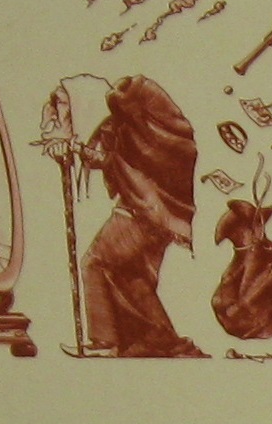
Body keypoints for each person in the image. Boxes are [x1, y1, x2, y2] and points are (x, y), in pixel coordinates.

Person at [78, 75, 208, 357]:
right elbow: (120, 162)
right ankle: (162, 340)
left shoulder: (143, 136)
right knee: (134, 277)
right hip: (166, 223)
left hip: (141, 215)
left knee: (94, 262)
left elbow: (121, 164)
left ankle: (105, 342)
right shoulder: (171, 137)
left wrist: (85, 153)